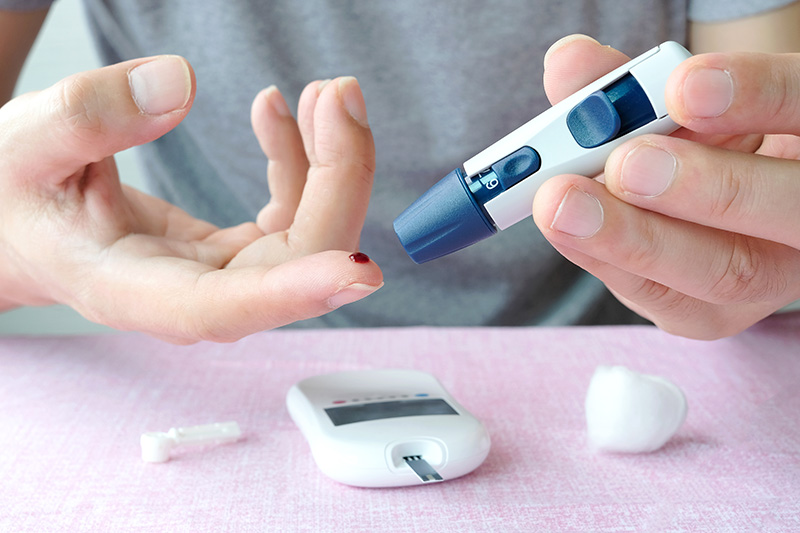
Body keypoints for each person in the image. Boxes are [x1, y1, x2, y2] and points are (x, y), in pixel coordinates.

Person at [0, 1, 799, 343]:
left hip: (632, 374)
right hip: (230, 375)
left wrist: (765, 261)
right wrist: (27, 253)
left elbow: (759, 161)